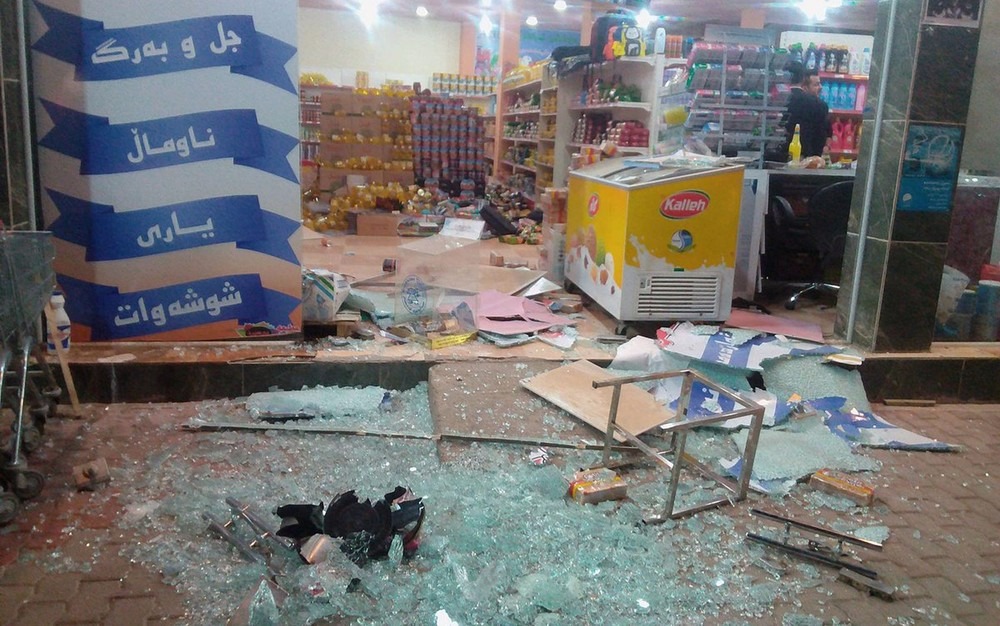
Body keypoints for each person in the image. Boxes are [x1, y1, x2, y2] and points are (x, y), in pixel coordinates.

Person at [783, 68, 831, 159]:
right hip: (808, 157)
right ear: (804, 86)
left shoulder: (783, 100)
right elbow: (823, 134)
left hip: (783, 154)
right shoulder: (820, 106)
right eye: (816, 85)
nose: (820, 87)